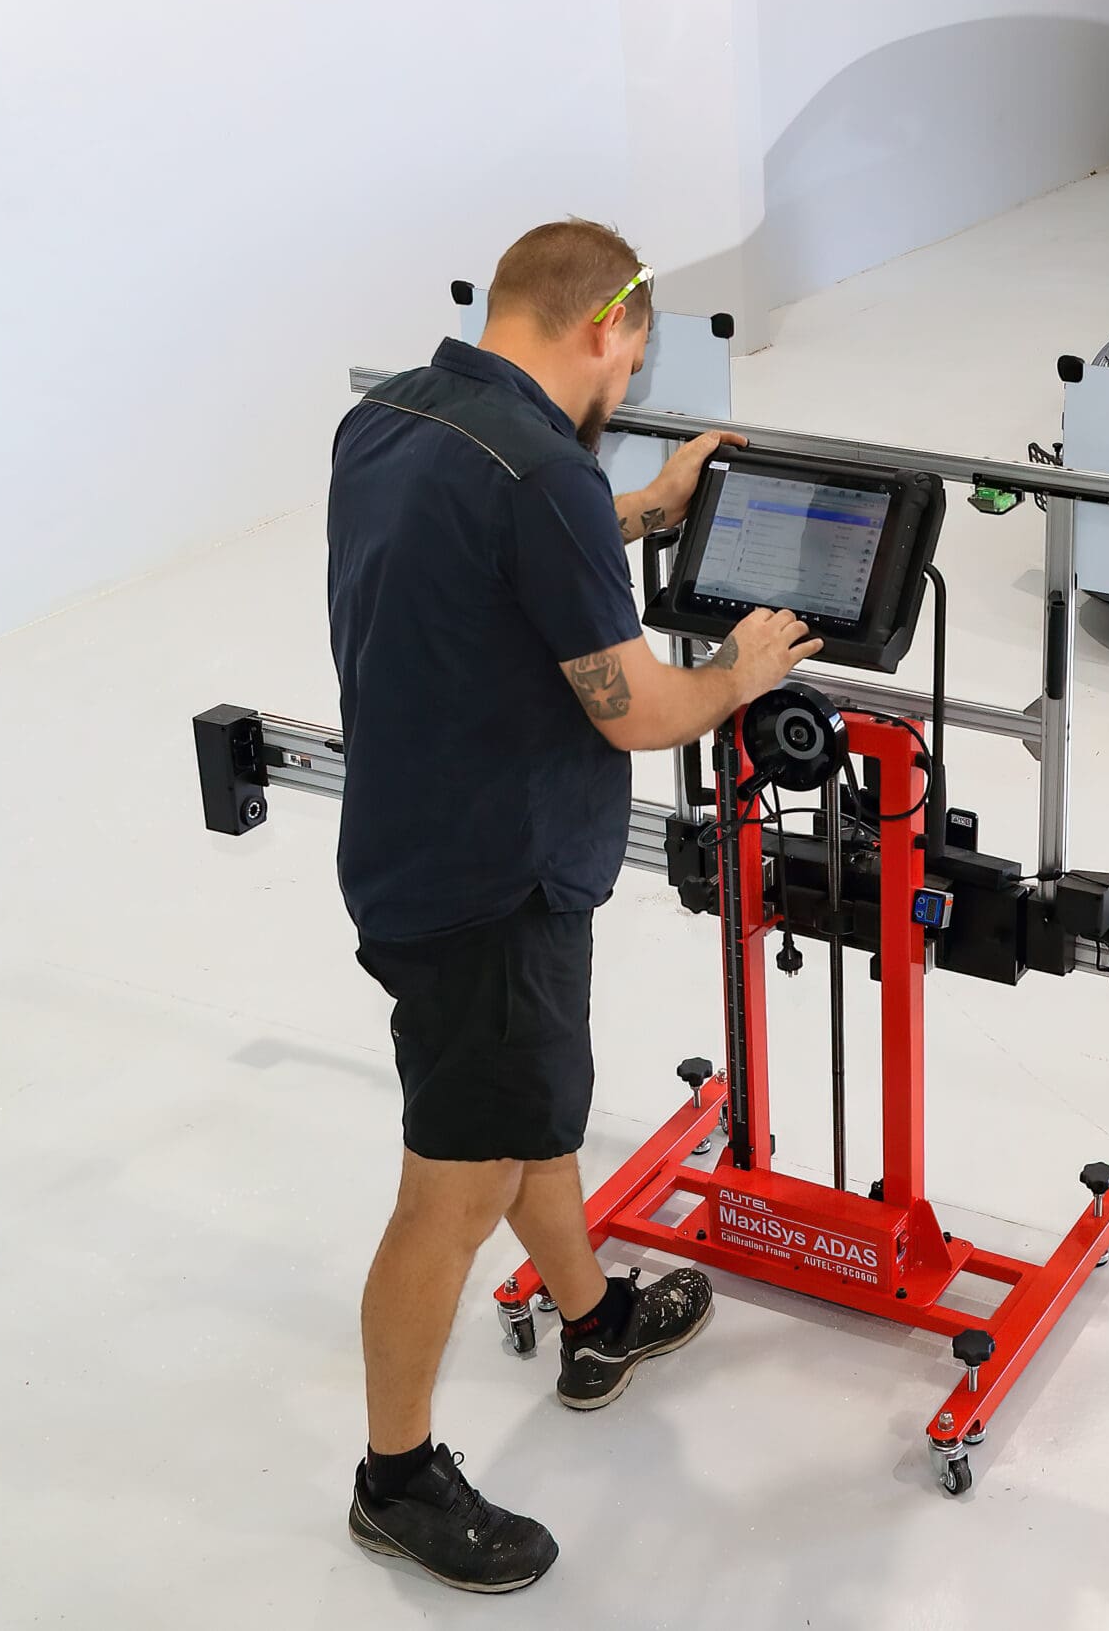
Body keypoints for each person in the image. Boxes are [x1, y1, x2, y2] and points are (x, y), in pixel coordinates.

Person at [324, 218, 821, 1593]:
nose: (627, 382)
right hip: (496, 887)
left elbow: (501, 549)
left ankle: (595, 1318)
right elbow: (636, 712)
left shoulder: (393, 418)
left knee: (526, 1120)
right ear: (606, 324)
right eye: (634, 357)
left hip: (408, 848)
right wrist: (740, 671)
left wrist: (646, 506)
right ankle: (393, 1481)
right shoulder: (542, 473)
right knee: (456, 1186)